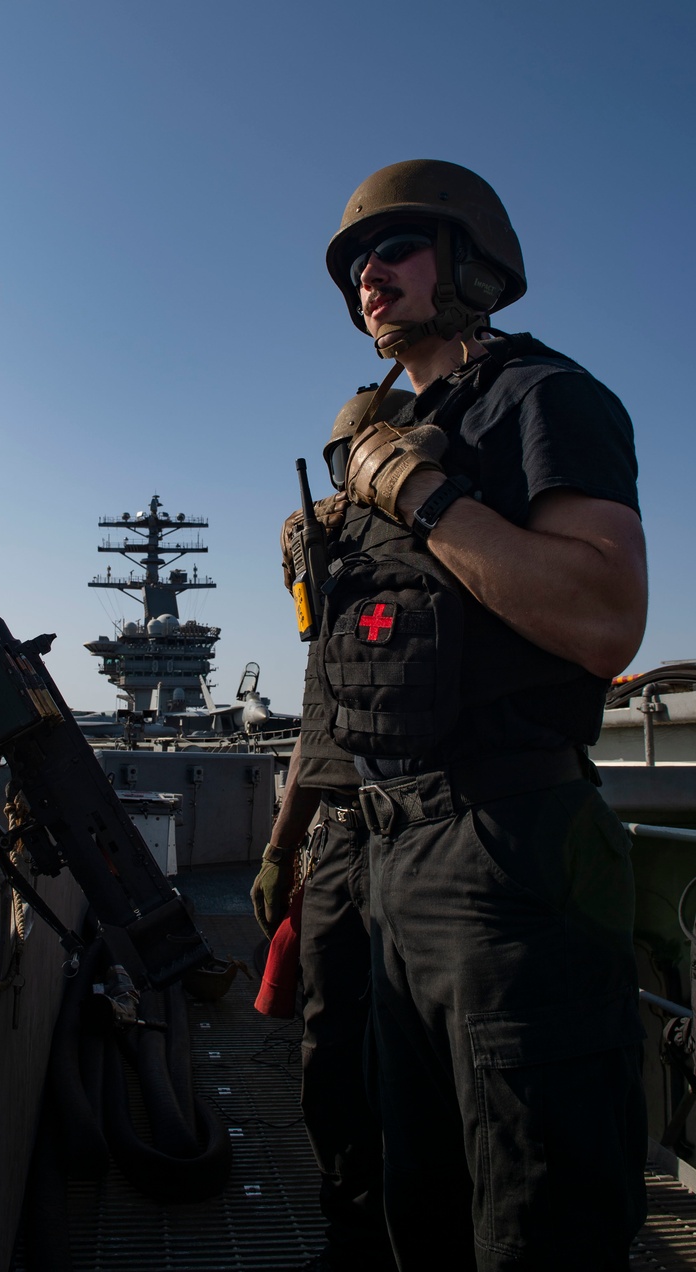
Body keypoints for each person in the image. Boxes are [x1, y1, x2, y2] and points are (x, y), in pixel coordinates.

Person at [319, 159, 648, 1270]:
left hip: (510, 862)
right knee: (426, 1206)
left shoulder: (541, 399)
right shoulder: (409, 431)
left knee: (536, 1218)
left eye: (398, 249)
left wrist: (414, 494)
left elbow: (605, 619)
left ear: (471, 264)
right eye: (359, 262)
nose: (370, 272)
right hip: (390, 858)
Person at [251, 385, 412, 1272]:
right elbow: (322, 727)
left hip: (422, 835)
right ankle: (359, 1238)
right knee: (337, 1054)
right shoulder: (340, 573)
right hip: (354, 838)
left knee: (381, 1059)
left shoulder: (424, 548)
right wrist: (283, 850)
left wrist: (281, 851)